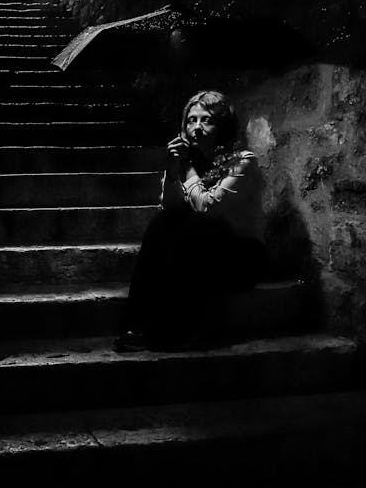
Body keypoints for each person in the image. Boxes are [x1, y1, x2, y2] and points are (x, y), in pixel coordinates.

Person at [114, 89, 266, 352]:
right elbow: (169, 208)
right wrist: (173, 171)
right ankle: (135, 324)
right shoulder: (185, 162)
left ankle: (174, 332)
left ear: (223, 127)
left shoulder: (242, 162)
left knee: (199, 228)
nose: (196, 127)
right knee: (163, 224)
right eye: (191, 120)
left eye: (206, 120)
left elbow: (207, 209)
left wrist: (187, 171)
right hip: (200, 247)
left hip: (241, 254)